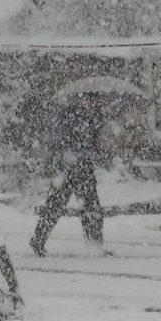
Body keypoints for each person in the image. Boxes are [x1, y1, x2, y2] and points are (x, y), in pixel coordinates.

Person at [29, 92, 107, 257]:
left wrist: (97, 144)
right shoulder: (69, 115)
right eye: (93, 102)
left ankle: (94, 246)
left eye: (98, 103)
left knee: (92, 207)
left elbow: (94, 142)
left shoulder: (96, 118)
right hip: (66, 168)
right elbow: (58, 140)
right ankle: (38, 239)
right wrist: (76, 146)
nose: (96, 106)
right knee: (56, 206)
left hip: (83, 167)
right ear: (85, 101)